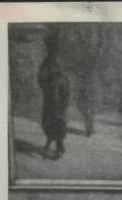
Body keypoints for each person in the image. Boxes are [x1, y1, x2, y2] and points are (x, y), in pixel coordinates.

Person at [38, 29, 70, 160]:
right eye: (49, 47)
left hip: (58, 96)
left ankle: (59, 147)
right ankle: (52, 145)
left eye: (51, 47)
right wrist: (45, 84)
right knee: (48, 122)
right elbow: (40, 77)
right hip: (50, 97)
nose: (49, 49)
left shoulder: (58, 61)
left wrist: (64, 96)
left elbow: (64, 79)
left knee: (58, 122)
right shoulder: (46, 61)